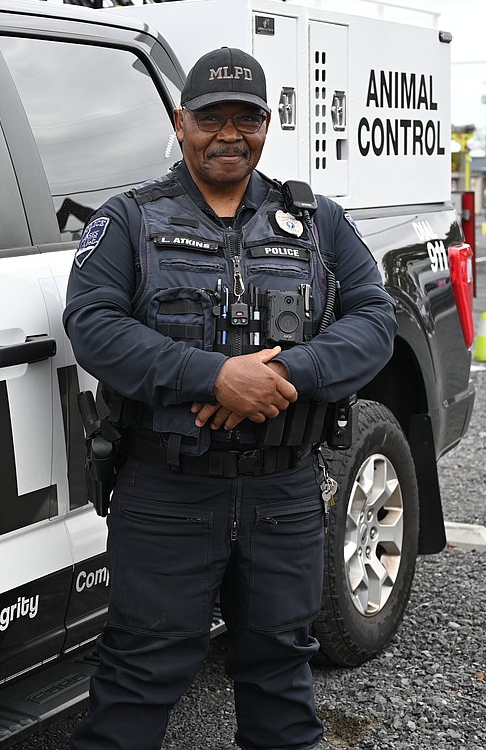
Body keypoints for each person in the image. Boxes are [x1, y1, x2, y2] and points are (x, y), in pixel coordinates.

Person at [63, 46, 398, 750]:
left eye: (245, 119)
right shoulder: (130, 219)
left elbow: (375, 321)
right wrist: (213, 378)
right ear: (181, 122)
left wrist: (288, 375)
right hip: (167, 492)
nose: (228, 134)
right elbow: (93, 327)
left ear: (267, 125)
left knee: (281, 677)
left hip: (284, 494)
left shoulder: (316, 222)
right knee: (137, 681)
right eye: (210, 118)